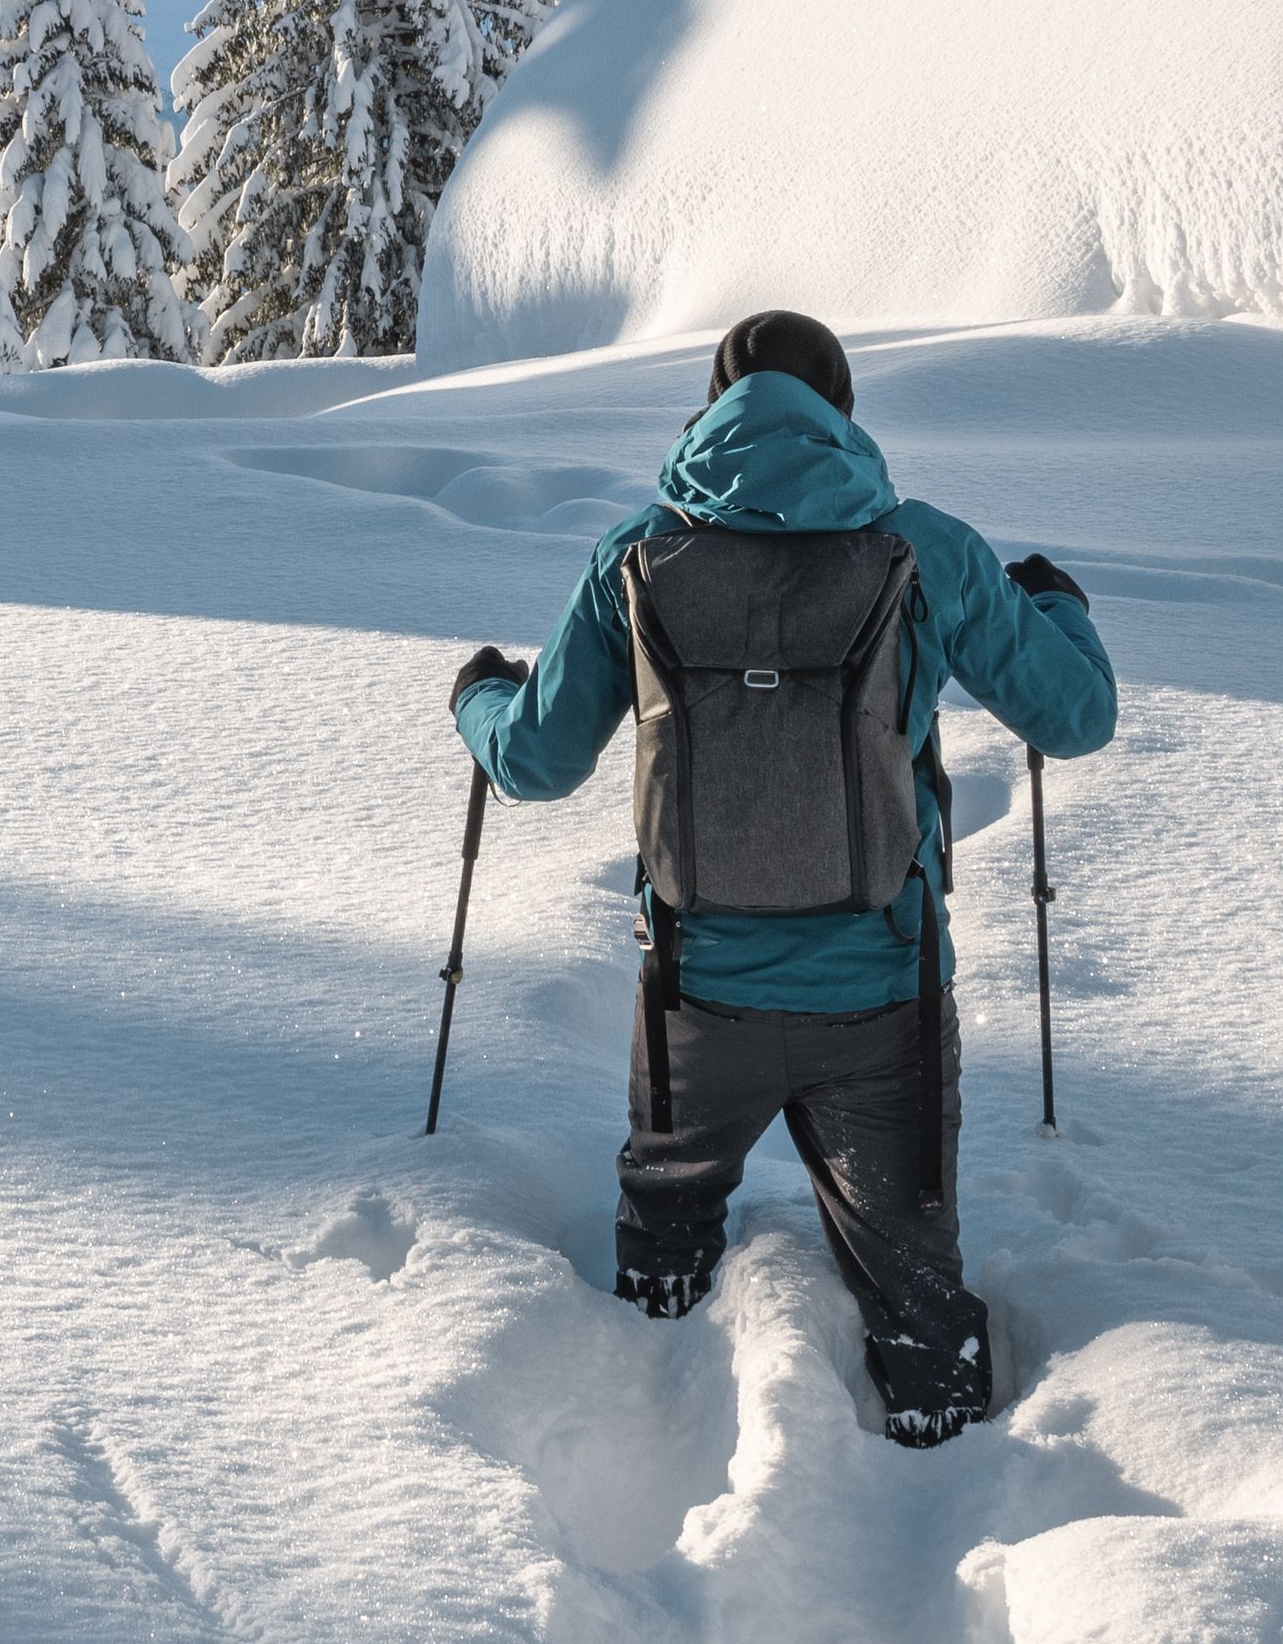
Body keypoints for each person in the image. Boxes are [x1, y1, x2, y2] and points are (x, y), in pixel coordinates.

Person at [447, 311, 1113, 1445]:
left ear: (705, 413)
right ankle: (944, 1480)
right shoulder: (924, 553)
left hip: (696, 1002)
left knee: (663, 1268)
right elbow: (1077, 715)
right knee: (912, 1295)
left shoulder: (637, 556)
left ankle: (638, 1451)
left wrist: (478, 698)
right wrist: (1055, 608)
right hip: (881, 1002)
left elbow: (537, 760)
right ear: (843, 415)